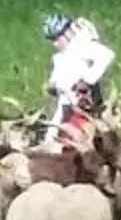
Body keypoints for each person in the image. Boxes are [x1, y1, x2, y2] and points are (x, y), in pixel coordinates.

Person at [42, 10, 115, 141]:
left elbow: (107, 56)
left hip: (82, 104)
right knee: (51, 136)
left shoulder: (82, 46)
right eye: (52, 39)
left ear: (68, 33)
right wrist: (53, 86)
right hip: (65, 105)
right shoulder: (59, 57)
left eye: (58, 38)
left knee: (79, 135)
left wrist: (87, 80)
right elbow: (58, 78)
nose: (55, 43)